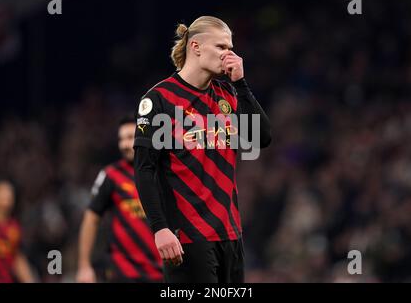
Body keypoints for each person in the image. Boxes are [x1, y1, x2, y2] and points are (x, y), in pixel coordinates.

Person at [133, 16, 271, 283]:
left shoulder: (228, 95)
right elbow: (144, 169)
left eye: (230, 48)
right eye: (221, 47)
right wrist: (159, 228)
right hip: (187, 237)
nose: (229, 55)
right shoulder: (159, 99)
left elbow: (261, 138)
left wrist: (241, 85)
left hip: (231, 235)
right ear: (195, 47)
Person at [76, 115, 163, 283]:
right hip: (123, 272)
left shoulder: (162, 172)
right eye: (120, 139)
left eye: (130, 137)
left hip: (162, 272)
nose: (124, 144)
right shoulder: (111, 175)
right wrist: (84, 265)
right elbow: (91, 218)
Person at [0, 180, 34, 283]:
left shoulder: (15, 227)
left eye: (9, 192)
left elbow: (18, 258)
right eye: (2, 192)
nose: (7, 195)